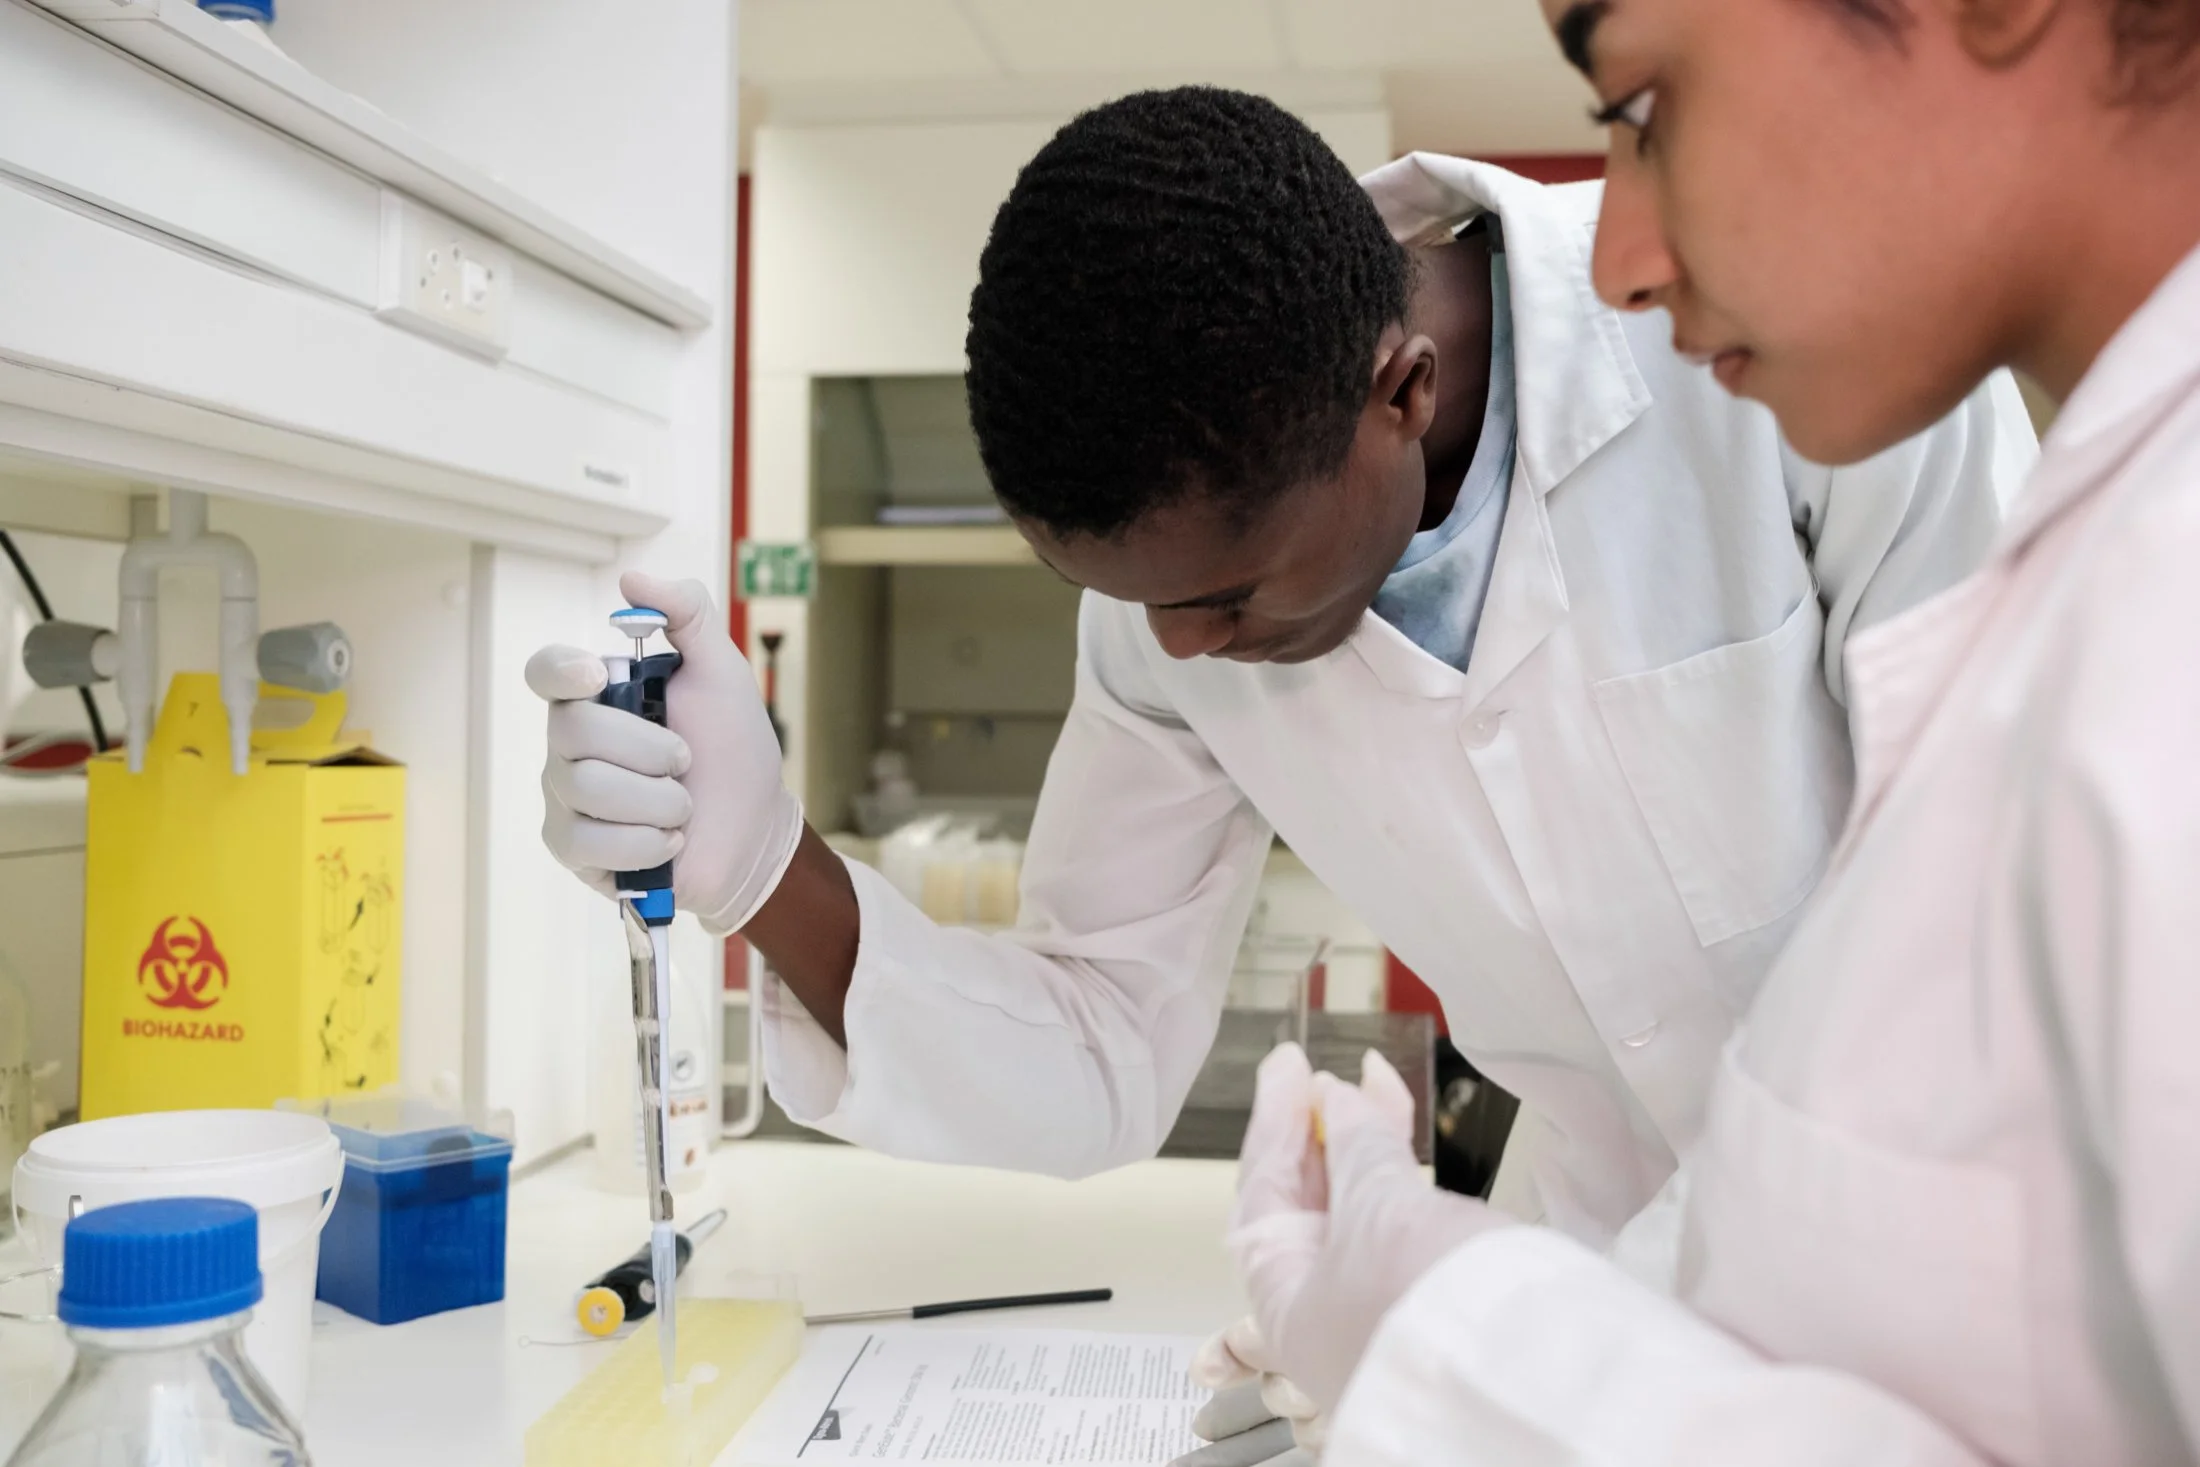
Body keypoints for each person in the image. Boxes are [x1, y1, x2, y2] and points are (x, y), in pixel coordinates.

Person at [526, 87, 2030, 1461]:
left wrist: (1488, 1330)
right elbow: (1103, 1044)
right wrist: (764, 872)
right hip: (1590, 1275)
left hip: (1977, 1266)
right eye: (1138, 603)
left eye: (1229, 593)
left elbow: (1988, 936)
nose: (1185, 647)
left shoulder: (1760, 334)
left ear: (1403, 393)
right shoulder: (1164, 617)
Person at [1221, 1, 2200, 1463]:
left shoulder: (2158, 609)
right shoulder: (2109, 562)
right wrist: (1463, 1330)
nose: (1621, 259)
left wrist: (1456, 1350)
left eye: (1643, 109)